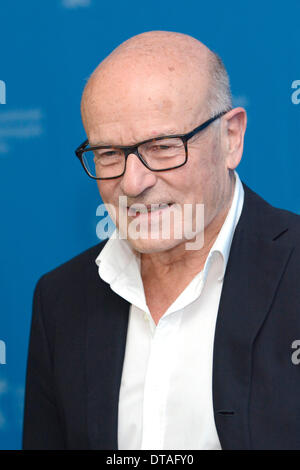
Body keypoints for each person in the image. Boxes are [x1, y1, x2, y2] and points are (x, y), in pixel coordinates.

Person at [23, 31, 300, 450]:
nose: (133, 183)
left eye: (163, 146)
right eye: (109, 154)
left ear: (231, 138)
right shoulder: (60, 299)